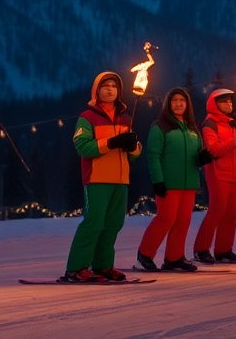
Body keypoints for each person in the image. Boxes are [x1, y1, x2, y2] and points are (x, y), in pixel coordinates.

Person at [62, 71, 141, 282]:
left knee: (114, 224)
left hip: (121, 180)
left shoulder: (125, 118)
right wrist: (112, 143)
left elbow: (134, 154)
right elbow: (83, 147)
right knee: (94, 223)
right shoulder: (87, 118)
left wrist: (133, 147)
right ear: (96, 91)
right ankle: (76, 268)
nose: (110, 90)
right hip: (97, 178)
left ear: (119, 91)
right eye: (105, 86)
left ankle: (103, 265)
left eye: (114, 86)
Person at [136, 87, 204, 272]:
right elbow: (153, 155)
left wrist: (202, 158)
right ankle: (145, 254)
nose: (178, 104)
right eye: (174, 100)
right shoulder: (160, 126)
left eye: (182, 100)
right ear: (168, 104)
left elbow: (198, 154)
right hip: (168, 183)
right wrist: (158, 180)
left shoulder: (192, 128)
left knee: (183, 221)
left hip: (189, 183)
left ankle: (174, 258)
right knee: (166, 218)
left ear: (187, 104)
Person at [193, 88, 236, 264]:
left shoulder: (234, 124)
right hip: (218, 173)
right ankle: (201, 249)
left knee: (232, 214)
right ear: (214, 104)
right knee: (216, 212)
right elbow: (213, 150)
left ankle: (223, 250)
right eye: (224, 101)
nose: (229, 103)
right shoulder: (210, 123)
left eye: (230, 100)